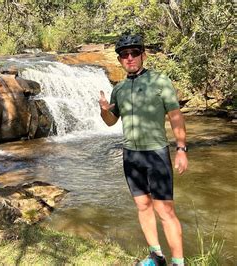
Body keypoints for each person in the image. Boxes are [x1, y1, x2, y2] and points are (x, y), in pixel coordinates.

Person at [98, 34, 188, 266]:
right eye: (124, 55)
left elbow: (175, 116)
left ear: (143, 55)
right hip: (131, 154)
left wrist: (181, 149)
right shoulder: (118, 89)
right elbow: (110, 121)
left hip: (156, 154)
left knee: (165, 211)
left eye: (134, 53)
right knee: (142, 205)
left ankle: (179, 262)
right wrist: (104, 110)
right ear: (119, 60)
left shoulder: (160, 81)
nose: (129, 58)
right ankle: (156, 256)